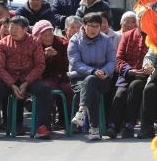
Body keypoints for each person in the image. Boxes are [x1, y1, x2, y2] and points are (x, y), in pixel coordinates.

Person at [0, 16, 53, 139]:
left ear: (25, 29)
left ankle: (42, 127)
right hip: (9, 78)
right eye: (11, 27)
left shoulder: (35, 42)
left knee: (45, 89)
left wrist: (26, 82)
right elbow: (0, 67)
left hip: (30, 78)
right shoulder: (4, 43)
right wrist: (12, 84)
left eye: (16, 28)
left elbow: (40, 65)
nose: (12, 31)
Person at [67, 13, 116, 141]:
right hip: (79, 78)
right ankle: (94, 128)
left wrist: (104, 71)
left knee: (91, 83)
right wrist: (92, 71)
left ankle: (82, 111)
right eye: (90, 25)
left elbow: (112, 61)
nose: (93, 29)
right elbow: (75, 63)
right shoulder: (75, 40)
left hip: (102, 78)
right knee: (90, 84)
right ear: (84, 25)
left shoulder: (106, 40)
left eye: (96, 26)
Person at [110, 15, 150, 139]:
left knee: (136, 86)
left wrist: (147, 70)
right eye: (140, 19)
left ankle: (129, 125)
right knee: (120, 93)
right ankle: (114, 126)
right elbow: (119, 58)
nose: (143, 22)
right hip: (128, 74)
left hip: (146, 76)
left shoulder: (154, 36)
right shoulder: (127, 36)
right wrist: (130, 71)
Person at [32, 20, 71, 127]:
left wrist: (56, 56)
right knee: (46, 88)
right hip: (43, 77)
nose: (49, 37)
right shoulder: (34, 45)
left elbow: (67, 65)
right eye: (45, 35)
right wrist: (44, 57)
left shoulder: (63, 43)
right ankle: (45, 123)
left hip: (62, 75)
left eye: (50, 34)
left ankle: (68, 121)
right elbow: (33, 66)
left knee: (68, 89)